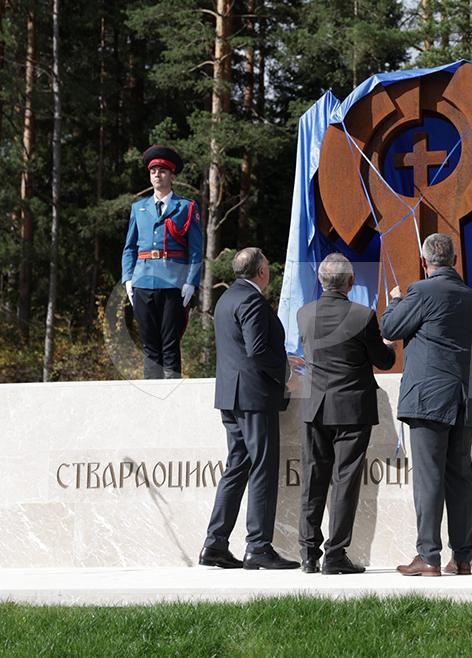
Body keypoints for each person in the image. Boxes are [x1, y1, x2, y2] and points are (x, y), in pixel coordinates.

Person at [381, 233, 472, 577]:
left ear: (426, 263)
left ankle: (428, 556)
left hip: (428, 400)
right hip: (463, 398)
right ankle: (463, 557)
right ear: (453, 260)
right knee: (460, 478)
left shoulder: (422, 292)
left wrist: (395, 301)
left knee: (429, 480)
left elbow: (390, 327)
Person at [199, 247, 300, 570]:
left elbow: (243, 348)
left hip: (230, 397)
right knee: (262, 469)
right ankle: (258, 546)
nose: (269, 272)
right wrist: (286, 374)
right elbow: (257, 352)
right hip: (254, 398)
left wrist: (284, 360)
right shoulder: (253, 301)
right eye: (268, 266)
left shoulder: (226, 299)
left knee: (237, 467)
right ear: (260, 272)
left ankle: (214, 544)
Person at [296, 253, 396, 575]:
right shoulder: (363, 315)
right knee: (344, 481)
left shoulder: (304, 314)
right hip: (351, 409)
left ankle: (308, 554)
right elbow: (384, 361)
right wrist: (390, 344)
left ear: (321, 281)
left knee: (313, 479)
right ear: (350, 283)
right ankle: (335, 556)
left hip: (315, 407)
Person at [121, 145, 203, 378]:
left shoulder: (186, 208)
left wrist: (191, 281)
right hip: (143, 281)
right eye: (153, 171)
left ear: (172, 176)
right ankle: (152, 403)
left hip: (173, 282)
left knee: (170, 344)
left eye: (163, 171)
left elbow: (196, 250)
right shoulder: (139, 208)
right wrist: (128, 278)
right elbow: (129, 247)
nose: (157, 175)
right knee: (150, 347)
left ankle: (171, 399)